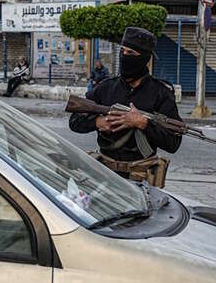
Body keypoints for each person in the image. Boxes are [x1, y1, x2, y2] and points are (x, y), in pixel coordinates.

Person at [68, 27, 182, 185]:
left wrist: (143, 123)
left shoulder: (161, 93)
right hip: (105, 176)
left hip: (142, 178)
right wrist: (97, 122)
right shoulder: (106, 87)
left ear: (144, 58)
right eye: (123, 51)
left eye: (131, 53)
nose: (125, 57)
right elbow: (74, 121)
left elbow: (173, 143)